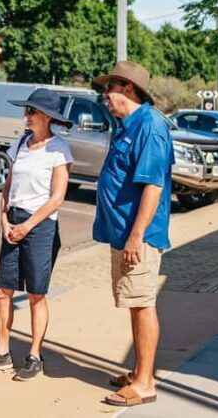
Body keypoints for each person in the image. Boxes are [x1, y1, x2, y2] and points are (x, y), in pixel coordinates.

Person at [0, 88, 74, 381]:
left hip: (40, 227)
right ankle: (1, 352)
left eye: (31, 112)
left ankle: (34, 356)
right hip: (13, 222)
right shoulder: (20, 144)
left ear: (46, 117)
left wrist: (28, 226)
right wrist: (4, 220)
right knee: (2, 291)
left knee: (36, 294)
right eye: (26, 111)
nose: (26, 116)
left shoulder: (59, 149)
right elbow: (8, 187)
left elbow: (57, 198)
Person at [92, 61, 173, 408]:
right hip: (123, 233)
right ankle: (140, 371)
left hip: (137, 236)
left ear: (127, 89)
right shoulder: (128, 125)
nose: (104, 96)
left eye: (108, 88)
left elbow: (153, 186)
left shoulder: (150, 126)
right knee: (134, 302)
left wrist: (136, 235)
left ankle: (144, 383)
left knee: (142, 304)